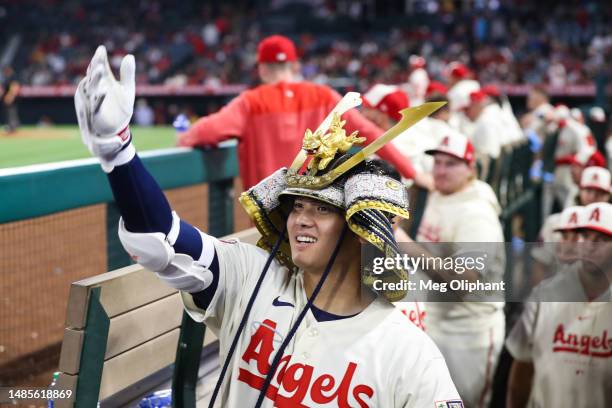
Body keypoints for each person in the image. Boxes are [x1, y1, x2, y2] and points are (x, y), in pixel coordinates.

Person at [74, 46, 462, 407]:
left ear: (360, 227)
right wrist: (118, 150)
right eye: (296, 206)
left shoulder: (411, 355)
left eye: (322, 209)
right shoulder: (251, 277)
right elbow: (162, 240)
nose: (300, 220)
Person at [176, 35, 426, 190]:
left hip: (270, 216)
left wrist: (185, 137)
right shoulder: (324, 95)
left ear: (262, 69)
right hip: (316, 213)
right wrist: (412, 172)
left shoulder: (250, 102)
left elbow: (205, 132)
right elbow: (373, 135)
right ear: (295, 65)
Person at [404, 132, 506, 408]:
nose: (440, 170)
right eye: (436, 162)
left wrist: (406, 245)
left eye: (451, 164)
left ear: (470, 170)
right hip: (432, 320)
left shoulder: (477, 214)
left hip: (467, 332)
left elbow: (463, 283)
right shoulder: (441, 192)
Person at [506, 202, 612, 408]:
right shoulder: (545, 295)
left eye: (602, 239)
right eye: (586, 236)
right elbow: (521, 368)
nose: (589, 245)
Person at [1, 66, 20, 133]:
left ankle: (12, 126)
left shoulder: (13, 76)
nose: (5, 72)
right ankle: (11, 126)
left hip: (11, 98)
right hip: (8, 97)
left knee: (11, 112)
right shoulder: (7, 77)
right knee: (9, 112)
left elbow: (15, 86)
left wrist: (10, 96)